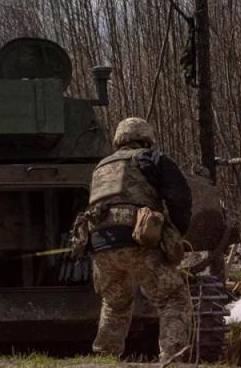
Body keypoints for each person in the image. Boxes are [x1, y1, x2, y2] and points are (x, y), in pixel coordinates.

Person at [84, 117, 194, 361]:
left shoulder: (101, 166)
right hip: (138, 239)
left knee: (115, 304)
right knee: (173, 298)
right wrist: (176, 232)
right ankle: (172, 358)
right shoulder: (152, 159)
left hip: (101, 244)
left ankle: (104, 360)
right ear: (146, 138)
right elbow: (180, 197)